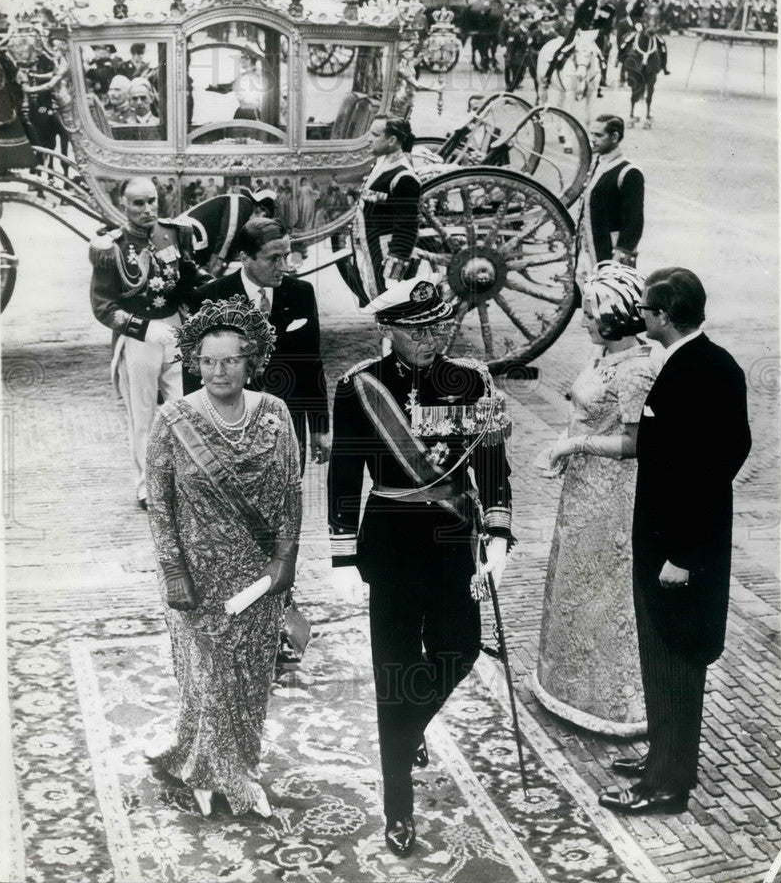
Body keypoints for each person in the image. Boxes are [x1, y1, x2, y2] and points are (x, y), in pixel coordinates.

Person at [328, 278, 513, 857]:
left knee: (461, 645)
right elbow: (344, 474)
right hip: (390, 545)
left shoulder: (471, 380)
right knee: (395, 669)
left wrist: (499, 536)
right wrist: (340, 553)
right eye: (417, 331)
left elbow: (491, 462)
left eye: (439, 327)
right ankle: (398, 805)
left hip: (454, 538)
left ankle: (407, 728)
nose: (431, 339)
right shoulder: (359, 386)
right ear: (390, 330)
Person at [599, 268, 750, 815]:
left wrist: (683, 555)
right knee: (659, 660)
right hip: (668, 546)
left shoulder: (696, 372)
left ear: (663, 317)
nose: (639, 316)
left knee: (675, 665)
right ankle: (663, 753)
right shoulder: (706, 363)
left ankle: (667, 786)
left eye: (645, 309)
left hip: (679, 556)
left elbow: (711, 470)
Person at [146, 296, 302, 818]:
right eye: (208, 360)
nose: (219, 371)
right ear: (194, 360)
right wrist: (173, 570)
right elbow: (160, 504)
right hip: (196, 573)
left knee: (251, 677)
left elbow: (292, 493)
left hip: (257, 576)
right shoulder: (173, 419)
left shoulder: (276, 413)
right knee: (209, 677)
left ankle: (213, 758)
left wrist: (285, 561)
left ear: (250, 360)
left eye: (231, 359)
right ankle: (220, 775)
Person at [531, 262, 656, 735]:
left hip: (614, 496)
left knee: (605, 593)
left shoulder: (638, 369)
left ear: (615, 318)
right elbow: (586, 415)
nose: (582, 321)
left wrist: (573, 445)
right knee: (576, 587)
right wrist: (564, 444)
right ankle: (566, 687)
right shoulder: (603, 354)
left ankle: (610, 703)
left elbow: (635, 444)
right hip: (584, 488)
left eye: (588, 314)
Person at [183, 217, 329, 473]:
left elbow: (312, 364)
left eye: (286, 255)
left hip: (288, 423)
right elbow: (194, 369)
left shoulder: (301, 293)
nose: (283, 266)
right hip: (229, 424)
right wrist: (195, 431)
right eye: (273, 258)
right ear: (245, 258)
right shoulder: (210, 298)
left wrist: (320, 428)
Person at [89, 177, 201, 508]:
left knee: (184, 407)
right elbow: (103, 307)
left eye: (151, 201)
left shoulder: (174, 233)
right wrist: (144, 329)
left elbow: (190, 279)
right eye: (138, 203)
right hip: (138, 337)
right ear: (122, 205)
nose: (147, 209)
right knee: (143, 414)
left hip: (175, 330)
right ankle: (147, 484)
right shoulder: (112, 247)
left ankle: (184, 481)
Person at [349, 115, 421, 301]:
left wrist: (394, 273)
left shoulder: (404, 176)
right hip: (372, 251)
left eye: (375, 134)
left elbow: (407, 226)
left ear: (392, 140)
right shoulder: (383, 162)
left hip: (385, 256)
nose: (369, 139)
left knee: (391, 309)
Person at [575, 115, 644, 290]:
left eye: (599, 135)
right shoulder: (596, 164)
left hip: (610, 252)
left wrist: (621, 257)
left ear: (614, 137)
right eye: (592, 134)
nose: (593, 140)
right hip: (587, 251)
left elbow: (634, 221)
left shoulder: (629, 172)